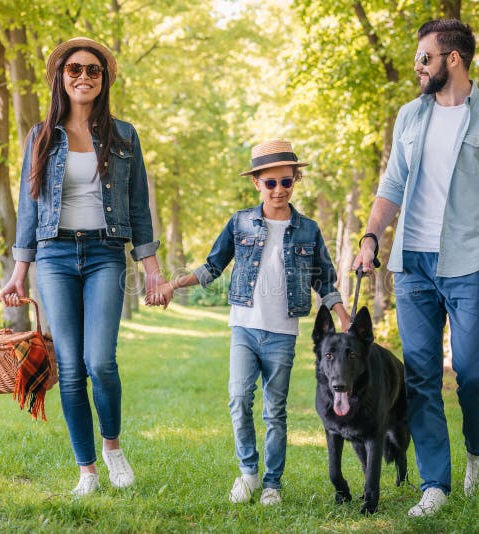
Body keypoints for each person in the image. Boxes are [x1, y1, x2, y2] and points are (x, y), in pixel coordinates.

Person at [353, 19, 479, 517]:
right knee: (421, 379)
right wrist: (371, 237)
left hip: (473, 263)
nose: (418, 66)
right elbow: (391, 185)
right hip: (412, 265)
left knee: (474, 376)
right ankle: (436, 483)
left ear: (453, 59)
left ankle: (478, 450)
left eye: (425, 58)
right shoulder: (410, 117)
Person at [0, 37, 169, 496]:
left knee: (101, 362)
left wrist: (152, 269)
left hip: (105, 254)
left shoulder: (125, 136)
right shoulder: (41, 135)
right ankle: (87, 470)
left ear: (103, 79)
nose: (83, 77)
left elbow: (138, 209)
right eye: (74, 69)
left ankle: (112, 447)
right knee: (70, 368)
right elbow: (29, 208)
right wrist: (19, 272)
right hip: (54, 256)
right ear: (61, 77)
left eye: (93, 70)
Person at [147, 140, 351, 506]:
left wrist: (341, 312)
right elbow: (212, 266)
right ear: (256, 183)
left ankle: (272, 484)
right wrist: (172, 284)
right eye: (270, 183)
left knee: (275, 410)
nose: (278, 190)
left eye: (285, 182)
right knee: (239, 399)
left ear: (295, 181)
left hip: (283, 333)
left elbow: (324, 279)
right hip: (244, 327)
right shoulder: (241, 222)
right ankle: (249, 474)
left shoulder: (308, 230)